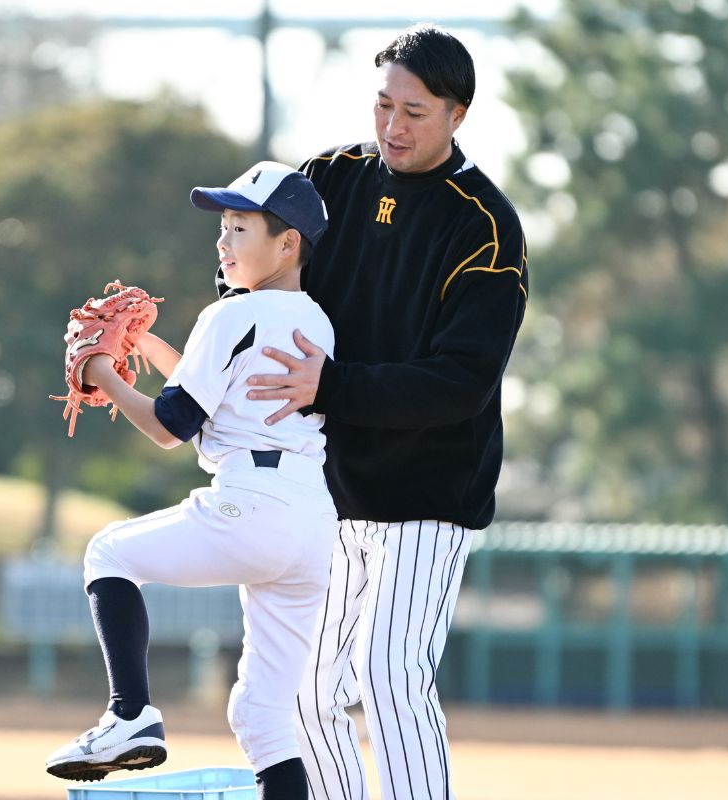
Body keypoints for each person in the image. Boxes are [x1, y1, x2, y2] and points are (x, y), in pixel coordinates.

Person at [236, 25, 528, 800]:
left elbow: (458, 383)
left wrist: (331, 386)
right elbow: (257, 272)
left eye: (417, 112)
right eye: (384, 104)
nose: (394, 126)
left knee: (388, 676)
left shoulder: (485, 229)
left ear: (458, 115)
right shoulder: (326, 178)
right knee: (302, 691)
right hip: (324, 491)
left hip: (428, 494)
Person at [43, 161, 339, 800]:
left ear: (287, 244)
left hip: (251, 506)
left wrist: (103, 373)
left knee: (109, 553)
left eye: (240, 227)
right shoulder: (317, 320)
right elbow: (212, 405)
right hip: (311, 522)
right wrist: (146, 348)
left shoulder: (228, 315)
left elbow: (170, 428)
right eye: (223, 227)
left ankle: (130, 717)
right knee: (263, 718)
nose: (223, 241)